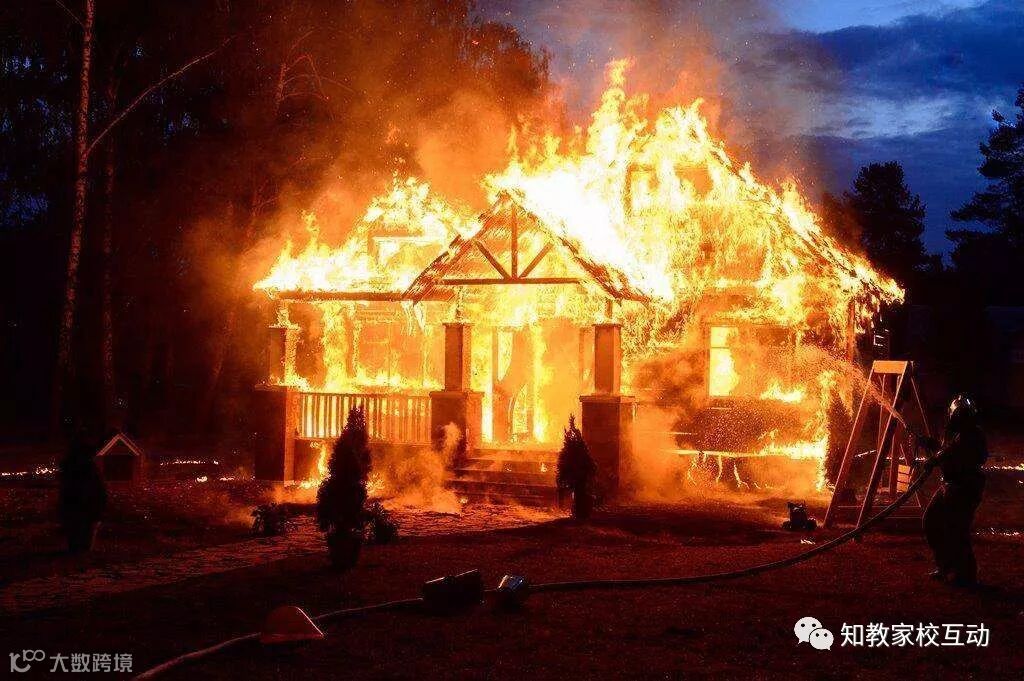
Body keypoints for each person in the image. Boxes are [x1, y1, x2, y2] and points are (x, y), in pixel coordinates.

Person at [919, 395, 988, 587]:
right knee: (932, 521)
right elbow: (949, 449)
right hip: (950, 485)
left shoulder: (973, 435)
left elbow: (954, 451)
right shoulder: (957, 434)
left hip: (965, 487)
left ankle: (965, 575)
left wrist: (935, 458)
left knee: (958, 530)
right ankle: (945, 565)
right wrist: (931, 444)